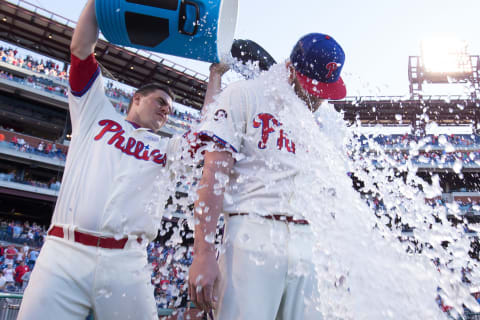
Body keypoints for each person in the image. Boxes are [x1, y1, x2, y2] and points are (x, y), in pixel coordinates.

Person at [17, 0, 225, 319]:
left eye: (170, 108)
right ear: (136, 98)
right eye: (160, 101)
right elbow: (81, 47)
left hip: (127, 262)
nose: (166, 109)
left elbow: (208, 131)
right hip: (64, 253)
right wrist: (100, 4)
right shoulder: (96, 113)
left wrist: (215, 76)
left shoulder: (168, 148)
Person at [188, 33, 347, 319]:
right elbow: (213, 174)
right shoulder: (245, 94)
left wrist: (335, 255)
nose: (318, 97)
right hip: (252, 234)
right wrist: (203, 252)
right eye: (312, 87)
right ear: (289, 69)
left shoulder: (326, 122)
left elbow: (329, 195)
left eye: (325, 90)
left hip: (309, 243)